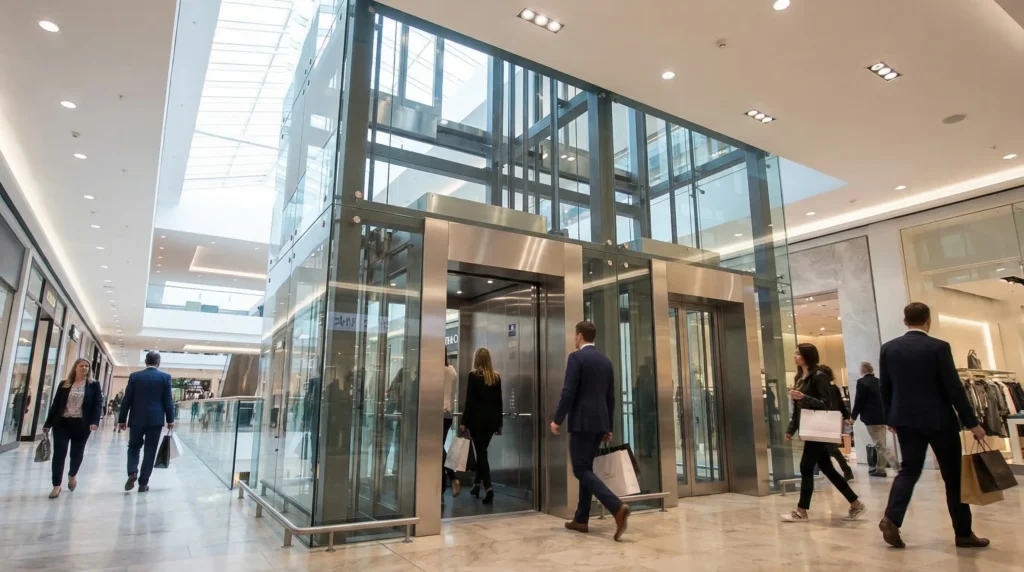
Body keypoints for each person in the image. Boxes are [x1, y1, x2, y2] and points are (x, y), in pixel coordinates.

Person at [878, 303, 989, 549]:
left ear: (905, 321)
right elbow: (953, 388)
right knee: (952, 476)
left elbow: (885, 388)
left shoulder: (888, 349)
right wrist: (972, 422)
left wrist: (891, 419)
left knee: (909, 470)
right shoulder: (938, 347)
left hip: (905, 420)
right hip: (939, 419)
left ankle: (891, 518)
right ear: (928, 320)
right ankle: (963, 534)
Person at [551, 321, 631, 541]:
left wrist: (557, 419)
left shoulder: (576, 358)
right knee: (587, 468)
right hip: (600, 423)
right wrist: (608, 427)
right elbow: (611, 397)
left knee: (580, 470)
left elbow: (568, 392)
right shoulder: (605, 361)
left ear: (579, 336)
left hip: (582, 423)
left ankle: (617, 507)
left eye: (575, 336)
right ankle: (581, 519)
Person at [781, 343, 866, 523]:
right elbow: (798, 409)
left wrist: (804, 397)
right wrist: (791, 429)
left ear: (807, 356)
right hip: (810, 429)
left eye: (798, 353)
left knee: (805, 467)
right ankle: (856, 503)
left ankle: (801, 510)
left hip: (819, 429)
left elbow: (827, 404)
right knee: (828, 469)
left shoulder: (818, 377)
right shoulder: (800, 378)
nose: (795, 356)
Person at [41, 359, 102, 499]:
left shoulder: (93, 385)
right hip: (62, 423)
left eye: (87, 366)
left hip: (81, 425)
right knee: (59, 454)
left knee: (77, 453)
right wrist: (47, 424)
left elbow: (97, 404)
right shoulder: (64, 384)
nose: (85, 368)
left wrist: (94, 421)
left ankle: (72, 475)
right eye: (82, 366)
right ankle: (56, 485)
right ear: (75, 368)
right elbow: (56, 404)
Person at [118, 351, 175, 493]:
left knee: (133, 447)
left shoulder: (135, 376)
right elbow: (168, 401)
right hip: (155, 420)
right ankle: (143, 483)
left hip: (137, 419)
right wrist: (170, 419)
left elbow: (127, 400)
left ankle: (132, 472)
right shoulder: (165, 377)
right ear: (159, 362)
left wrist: (122, 419)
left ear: (145, 362)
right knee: (150, 451)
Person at [460, 348, 502, 505]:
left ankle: (489, 488)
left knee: (482, 454)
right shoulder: (496, 377)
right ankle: (476, 485)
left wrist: (464, 421)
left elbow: (469, 401)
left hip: (477, 422)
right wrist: (499, 424)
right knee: (482, 452)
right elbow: (499, 402)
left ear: (476, 359)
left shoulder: (473, 376)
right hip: (491, 423)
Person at [851, 361, 898, 477]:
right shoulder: (879, 382)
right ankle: (880, 469)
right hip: (883, 417)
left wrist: (853, 417)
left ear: (862, 370)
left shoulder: (862, 382)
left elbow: (859, 401)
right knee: (880, 442)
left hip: (871, 418)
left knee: (879, 445)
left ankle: (894, 462)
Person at [819, 365, 855, 481]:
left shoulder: (823, 389)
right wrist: (846, 416)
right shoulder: (833, 388)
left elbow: (838, 403)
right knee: (826, 447)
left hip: (826, 419)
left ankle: (846, 470)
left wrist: (846, 416)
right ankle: (817, 470)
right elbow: (841, 404)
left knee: (830, 447)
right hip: (832, 419)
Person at [442, 352, 459, 497]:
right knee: (439, 449)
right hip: (448, 415)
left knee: (437, 449)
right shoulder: (452, 370)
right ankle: (444, 484)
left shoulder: (438, 370)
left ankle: (452, 477)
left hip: (437, 414)